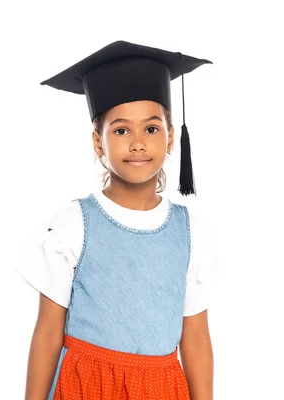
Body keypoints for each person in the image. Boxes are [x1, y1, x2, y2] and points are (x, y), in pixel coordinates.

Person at [15, 40, 219, 400]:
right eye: (121, 130)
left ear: (171, 137)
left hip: (159, 390)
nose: (137, 143)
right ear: (98, 143)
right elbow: (48, 332)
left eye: (152, 129)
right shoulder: (74, 224)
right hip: (86, 387)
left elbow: (196, 339)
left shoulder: (190, 234)